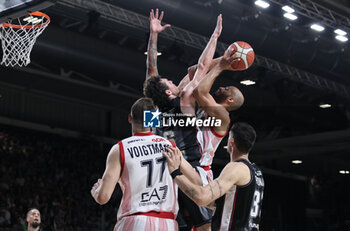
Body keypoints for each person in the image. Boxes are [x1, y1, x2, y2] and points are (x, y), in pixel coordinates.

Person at [144, 9, 226, 230]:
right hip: (189, 171)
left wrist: (154, 35)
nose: (172, 81)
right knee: (204, 224)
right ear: (169, 92)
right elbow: (201, 67)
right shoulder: (185, 100)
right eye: (170, 82)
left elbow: (151, 69)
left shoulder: (152, 107)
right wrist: (215, 36)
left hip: (161, 176)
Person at [90, 97, 198, 230]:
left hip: (134, 220)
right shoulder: (170, 146)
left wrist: (96, 191)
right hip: (167, 223)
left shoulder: (120, 148)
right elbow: (196, 181)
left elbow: (103, 197)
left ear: (130, 118)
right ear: (155, 120)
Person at [163, 122, 265, 231]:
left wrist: (175, 173)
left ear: (231, 142)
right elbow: (215, 203)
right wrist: (181, 161)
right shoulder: (257, 172)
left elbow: (201, 198)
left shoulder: (236, 168)